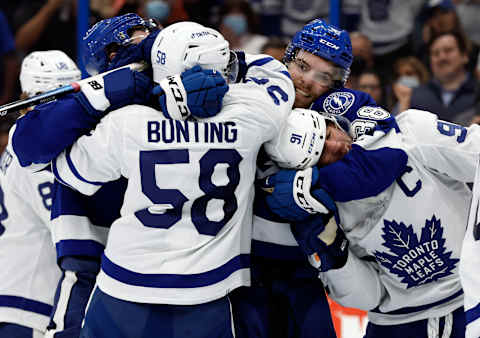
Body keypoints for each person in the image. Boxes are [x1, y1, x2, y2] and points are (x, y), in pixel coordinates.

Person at [48, 21, 303, 337]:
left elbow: (69, 171)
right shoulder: (252, 114)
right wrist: (227, 61)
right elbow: (275, 73)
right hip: (208, 288)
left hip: (124, 284)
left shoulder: (128, 121)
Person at [231, 19, 397, 338]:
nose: (306, 82)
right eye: (302, 66)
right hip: (241, 266)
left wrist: (308, 186)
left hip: (309, 266)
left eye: (323, 77)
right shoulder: (247, 97)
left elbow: (387, 159)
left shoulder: (345, 107)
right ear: (287, 59)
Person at [263, 101, 480, 338]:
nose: (335, 146)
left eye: (327, 133)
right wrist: (337, 259)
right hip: (399, 322)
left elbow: (476, 154)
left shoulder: (409, 131)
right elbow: (369, 297)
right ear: (305, 171)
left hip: (471, 293)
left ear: (333, 121)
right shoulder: (321, 212)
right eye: (321, 154)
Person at [0, 50, 81, 338]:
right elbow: (68, 230)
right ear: (25, 99)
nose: (57, 109)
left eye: (65, 99)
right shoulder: (32, 155)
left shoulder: (25, 143)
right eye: (47, 99)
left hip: (18, 294)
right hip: (28, 304)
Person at [410, 30, 478, 126]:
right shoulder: (414, 96)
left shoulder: (477, 91)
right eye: (435, 53)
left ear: (464, 56)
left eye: (448, 50)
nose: (442, 57)